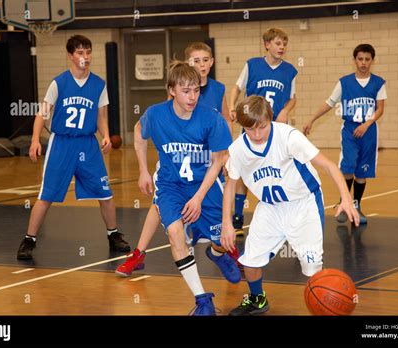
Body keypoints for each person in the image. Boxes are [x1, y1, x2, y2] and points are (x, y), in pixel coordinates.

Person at [221, 95, 359, 316]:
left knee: (313, 269)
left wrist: (345, 198)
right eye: (250, 129)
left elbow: (329, 165)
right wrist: (227, 222)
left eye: (262, 127)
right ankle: (258, 300)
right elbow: (230, 184)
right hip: (269, 207)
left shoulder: (288, 137)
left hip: (303, 204)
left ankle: (325, 306)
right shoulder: (238, 149)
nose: (256, 134)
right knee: (249, 262)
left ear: (270, 118)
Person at [115, 42, 237, 277]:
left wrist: (225, 154)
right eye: (195, 60)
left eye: (205, 60)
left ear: (211, 62)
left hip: (205, 160)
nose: (200, 64)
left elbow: (225, 121)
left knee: (208, 210)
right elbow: (160, 122)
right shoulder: (176, 90)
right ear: (186, 63)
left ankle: (221, 249)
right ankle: (139, 252)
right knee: (161, 204)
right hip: (176, 159)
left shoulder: (218, 89)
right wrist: (143, 169)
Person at [134, 60, 240, 315]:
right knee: (175, 234)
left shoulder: (211, 119)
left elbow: (218, 161)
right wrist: (143, 170)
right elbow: (138, 132)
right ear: (171, 90)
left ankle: (217, 254)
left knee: (221, 241)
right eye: (185, 91)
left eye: (196, 90)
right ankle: (202, 300)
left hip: (205, 184)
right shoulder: (156, 115)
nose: (192, 96)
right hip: (171, 186)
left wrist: (198, 198)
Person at [17, 35, 130, 260]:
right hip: (62, 143)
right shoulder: (59, 83)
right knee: (46, 195)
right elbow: (42, 114)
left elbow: (100, 115)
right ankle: (29, 239)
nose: (85, 57)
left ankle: (113, 234)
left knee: (105, 193)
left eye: (88, 52)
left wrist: (106, 135)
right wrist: (35, 140)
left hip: (88, 144)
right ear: (70, 56)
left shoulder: (99, 84)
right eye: (80, 52)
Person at [303, 44, 386, 224]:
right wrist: (312, 119)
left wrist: (367, 123)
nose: (363, 63)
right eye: (360, 59)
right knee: (348, 167)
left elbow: (380, 109)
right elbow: (329, 102)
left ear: (372, 60)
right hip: (350, 130)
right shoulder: (344, 83)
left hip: (369, 132)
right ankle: (344, 201)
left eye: (367, 59)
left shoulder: (378, 83)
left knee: (362, 172)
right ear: (354, 60)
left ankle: (356, 206)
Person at [228, 28, 298, 234]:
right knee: (243, 169)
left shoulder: (290, 70)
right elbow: (236, 87)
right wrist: (232, 106)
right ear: (267, 44)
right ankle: (239, 216)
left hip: (275, 128)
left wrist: (285, 110)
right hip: (252, 127)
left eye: (284, 44)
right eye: (278, 43)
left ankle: (284, 216)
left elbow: (293, 97)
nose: (282, 47)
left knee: (280, 170)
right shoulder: (252, 65)